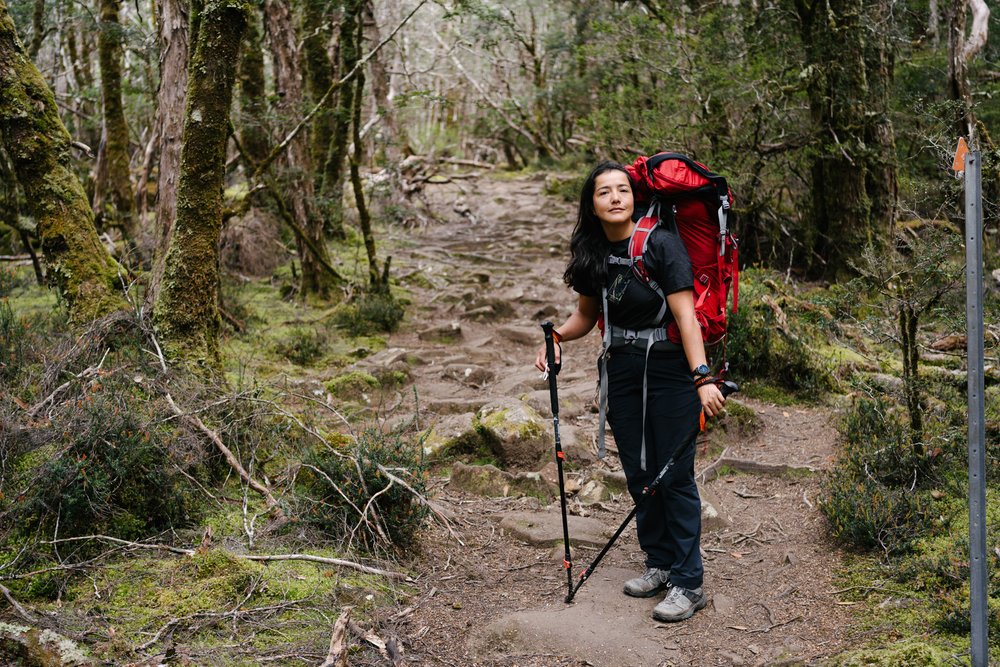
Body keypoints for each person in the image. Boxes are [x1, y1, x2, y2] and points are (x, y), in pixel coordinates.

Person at [534, 160, 725, 622]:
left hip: (669, 371)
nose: (616, 197)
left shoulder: (661, 244)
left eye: (623, 189)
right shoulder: (591, 252)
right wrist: (556, 337)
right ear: (592, 205)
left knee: (673, 476)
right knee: (640, 474)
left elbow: (686, 317)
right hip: (619, 370)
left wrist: (702, 378)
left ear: (634, 197)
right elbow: (587, 316)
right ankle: (659, 563)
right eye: (605, 192)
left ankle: (688, 581)